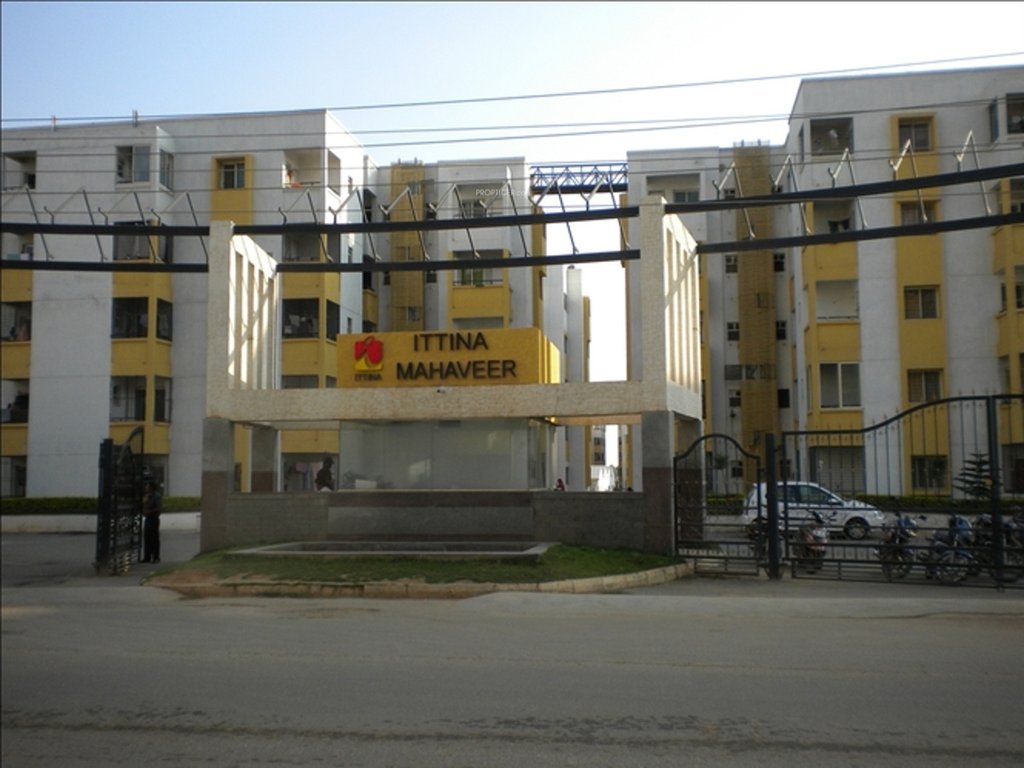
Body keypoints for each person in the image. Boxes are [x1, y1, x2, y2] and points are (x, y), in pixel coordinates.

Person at [142, 479, 162, 563]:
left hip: (153, 518)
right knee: (147, 538)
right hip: (148, 518)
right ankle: (147, 557)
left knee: (154, 538)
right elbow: (144, 504)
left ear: (151, 487)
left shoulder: (156, 496)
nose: (146, 487)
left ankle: (156, 557)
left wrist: (149, 512)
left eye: (147, 486)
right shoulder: (146, 496)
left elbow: (158, 508)